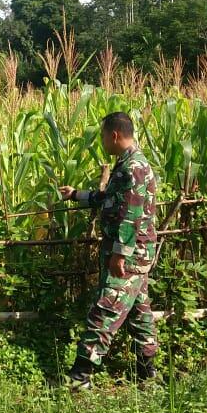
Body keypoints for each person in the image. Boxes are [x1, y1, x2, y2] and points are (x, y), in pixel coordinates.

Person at [58, 112, 159, 388]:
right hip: (136, 254)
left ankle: (80, 376)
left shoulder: (133, 167)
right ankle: (147, 372)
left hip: (130, 255)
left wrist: (120, 254)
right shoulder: (128, 164)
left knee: (106, 309)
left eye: (103, 136)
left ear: (114, 135)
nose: (102, 141)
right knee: (139, 312)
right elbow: (111, 200)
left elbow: (131, 216)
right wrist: (76, 195)